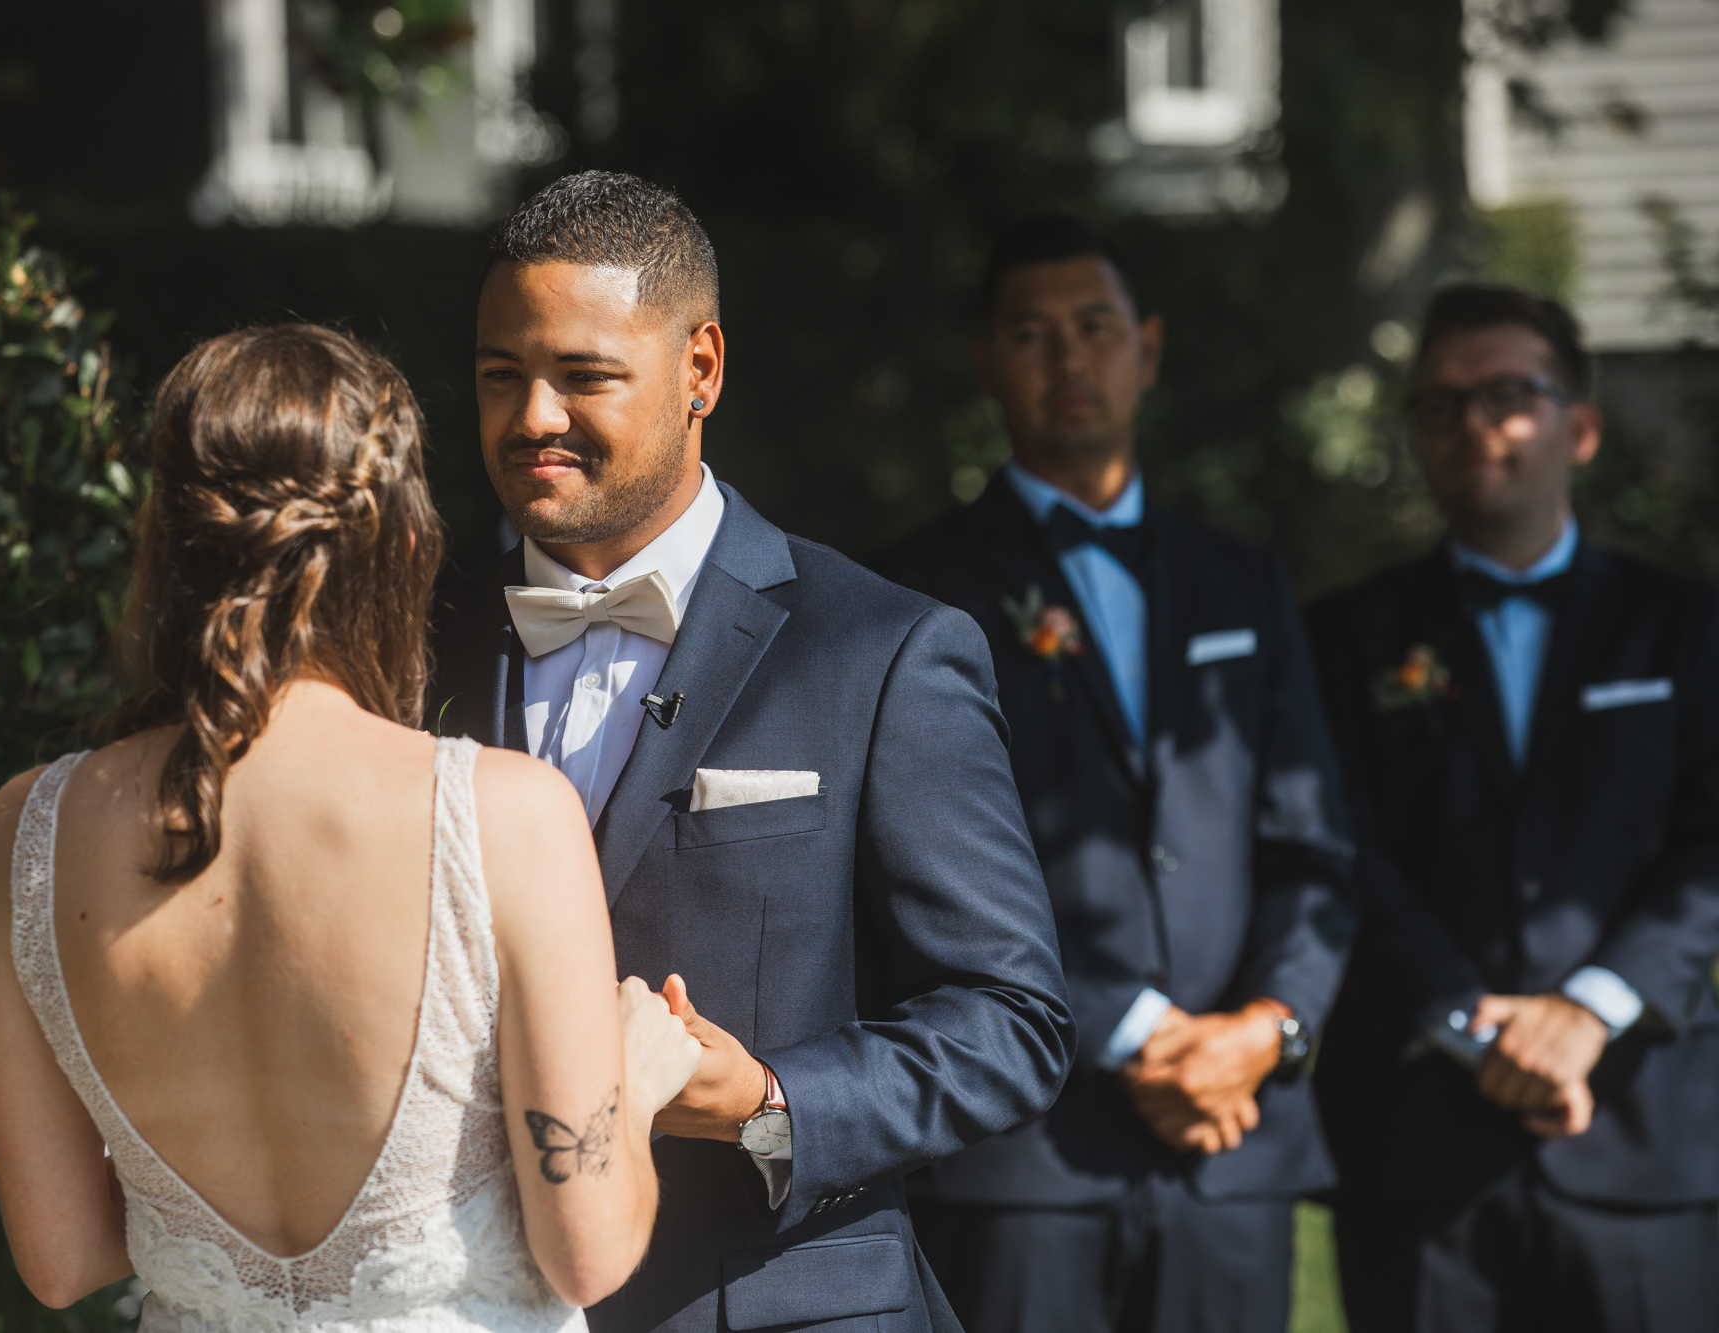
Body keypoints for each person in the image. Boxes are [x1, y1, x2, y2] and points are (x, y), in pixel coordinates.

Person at [428, 171, 1075, 1333]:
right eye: (499, 374)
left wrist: (767, 1100)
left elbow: (1009, 1019)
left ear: (700, 371)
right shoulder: (408, 650)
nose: (531, 416)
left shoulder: (880, 650)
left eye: (582, 376)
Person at [0, 323, 703, 1329]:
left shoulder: (29, 828)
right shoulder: (502, 813)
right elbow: (588, 1251)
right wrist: (638, 1077)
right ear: (400, 538)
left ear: (168, 539)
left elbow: (60, 1260)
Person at [875, 215, 1357, 1333]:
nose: (1068, 358)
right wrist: (1136, 1029)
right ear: (986, 363)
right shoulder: (913, 593)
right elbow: (917, 868)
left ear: (1147, 346)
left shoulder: (1240, 580)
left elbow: (1312, 844)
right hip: (1023, 1159)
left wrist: (1266, 1028)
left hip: (1233, 1148)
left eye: (1094, 328)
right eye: (1031, 334)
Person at [1305, 285, 1719, 1332]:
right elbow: (1330, 844)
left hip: (1638, 1140)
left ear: (1577, 426)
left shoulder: (1681, 627)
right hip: (1414, 1152)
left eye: (1505, 395)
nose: (1471, 425)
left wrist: (1588, 1008)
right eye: (1439, 405)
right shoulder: (1342, 638)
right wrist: (1468, 1024)